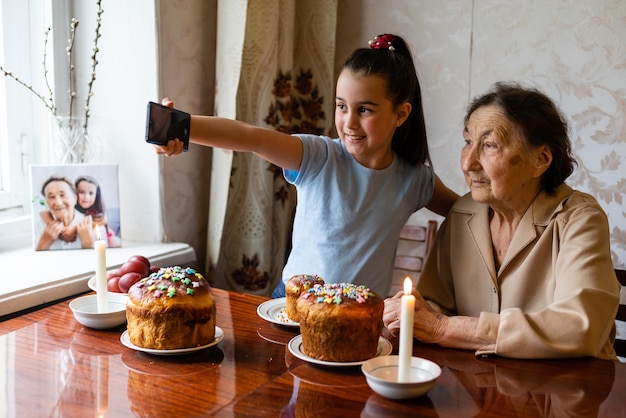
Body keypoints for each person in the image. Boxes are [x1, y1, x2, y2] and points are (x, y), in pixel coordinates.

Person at [156, 34, 459, 298]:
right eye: (342, 106)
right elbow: (250, 137)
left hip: (359, 318)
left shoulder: (415, 180)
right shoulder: (319, 157)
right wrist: (183, 127)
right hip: (294, 305)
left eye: (364, 109)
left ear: (401, 114)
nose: (349, 122)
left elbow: (465, 212)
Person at [383, 82, 620, 360]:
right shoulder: (463, 213)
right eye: (468, 142)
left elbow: (581, 327)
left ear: (540, 159)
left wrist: (443, 328)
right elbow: (435, 303)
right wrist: (411, 314)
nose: (468, 163)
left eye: (489, 145)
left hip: (569, 391)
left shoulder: (579, 219)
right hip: (485, 389)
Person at [35, 176, 95, 250]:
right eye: (51, 197)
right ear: (46, 202)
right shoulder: (38, 228)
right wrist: (44, 243)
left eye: (63, 195)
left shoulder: (93, 228)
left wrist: (88, 244)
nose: (58, 203)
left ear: (75, 199)